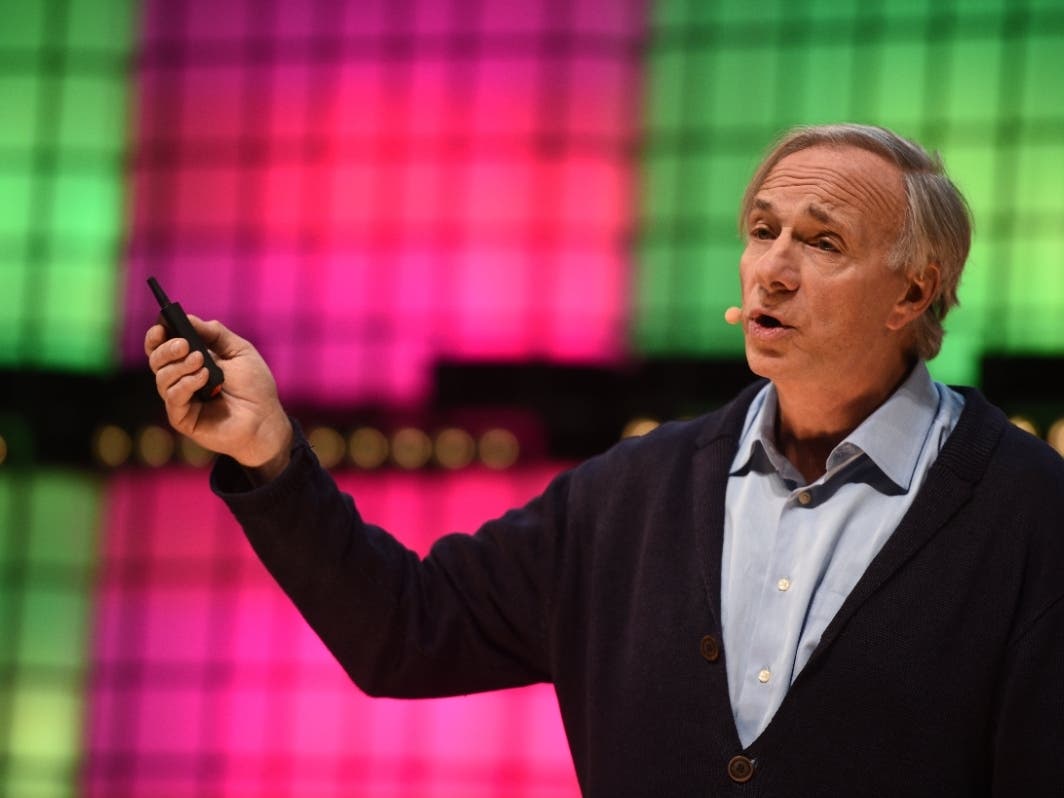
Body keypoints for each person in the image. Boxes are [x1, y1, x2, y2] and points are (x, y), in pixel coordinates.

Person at [146, 123, 1064, 796]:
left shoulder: (1032, 515)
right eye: (761, 229)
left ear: (913, 292)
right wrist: (268, 451)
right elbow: (405, 630)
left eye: (822, 242)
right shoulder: (629, 495)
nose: (771, 269)